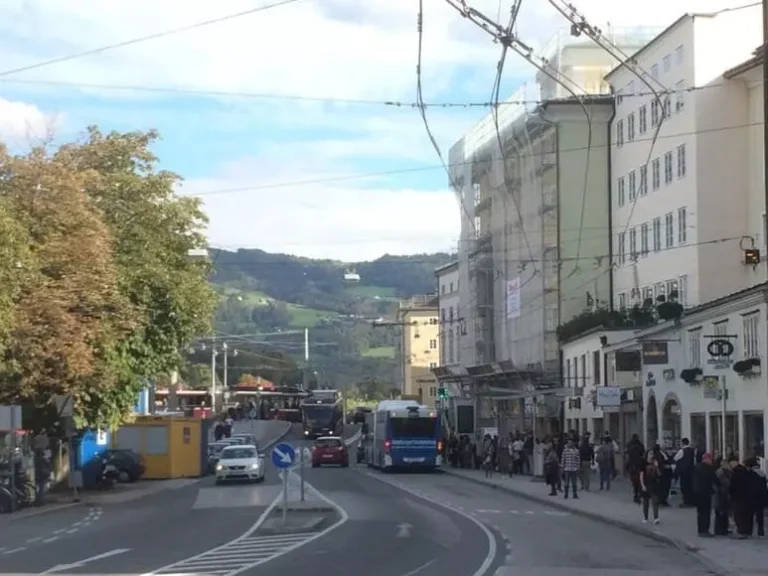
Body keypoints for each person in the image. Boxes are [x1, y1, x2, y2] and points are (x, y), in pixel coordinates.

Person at [693, 452, 716, 537]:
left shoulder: (697, 467)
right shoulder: (709, 468)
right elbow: (714, 479)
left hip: (697, 493)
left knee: (700, 512)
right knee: (706, 512)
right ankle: (705, 530)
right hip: (706, 493)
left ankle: (700, 530)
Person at [746, 456, 767, 537]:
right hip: (761, 497)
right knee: (760, 515)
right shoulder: (762, 473)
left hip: (753, 496)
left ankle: (749, 530)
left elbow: (749, 485)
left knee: (750, 514)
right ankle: (761, 531)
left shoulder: (750, 474)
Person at [640, 451, 661, 524]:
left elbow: (659, 474)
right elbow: (641, 475)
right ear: (647, 455)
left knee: (655, 502)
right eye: (650, 454)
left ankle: (656, 518)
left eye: (653, 454)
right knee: (646, 502)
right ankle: (645, 517)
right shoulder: (643, 463)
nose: (652, 455)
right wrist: (642, 485)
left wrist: (656, 466)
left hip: (654, 485)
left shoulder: (655, 463)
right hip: (646, 484)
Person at [713, 457, 732, 536]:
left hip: (722, 495)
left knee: (724, 513)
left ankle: (723, 529)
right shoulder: (720, 473)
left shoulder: (723, 472)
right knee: (720, 513)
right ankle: (719, 530)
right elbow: (727, 483)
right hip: (720, 496)